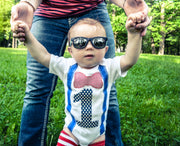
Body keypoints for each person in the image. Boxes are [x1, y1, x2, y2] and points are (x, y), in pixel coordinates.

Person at [11, 0, 150, 145]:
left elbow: (129, 60)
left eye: (98, 42)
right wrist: (27, 35)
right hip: (70, 135)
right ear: (70, 51)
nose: (89, 47)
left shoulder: (108, 67)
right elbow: (43, 56)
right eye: (80, 43)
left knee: (111, 95)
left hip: (98, 138)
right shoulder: (66, 66)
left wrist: (134, 33)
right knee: (36, 91)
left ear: (106, 49)